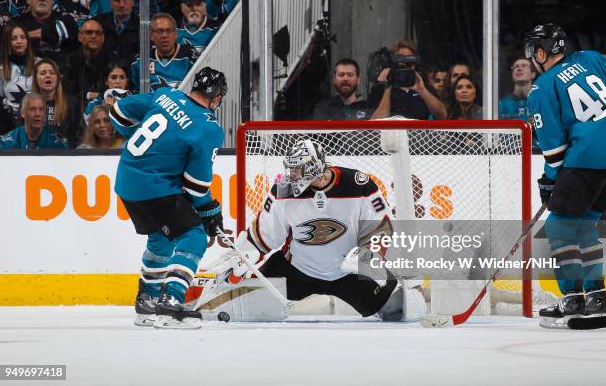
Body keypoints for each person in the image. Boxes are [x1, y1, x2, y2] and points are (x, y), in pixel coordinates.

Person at [238, 139, 407, 321]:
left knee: (396, 307)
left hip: (348, 273)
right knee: (248, 303)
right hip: (297, 270)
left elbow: (380, 229)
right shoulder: (283, 190)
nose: (292, 175)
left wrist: (368, 257)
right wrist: (239, 258)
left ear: (313, 167)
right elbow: (264, 236)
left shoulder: (359, 185)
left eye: (297, 169)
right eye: (290, 168)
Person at [110, 66, 226, 328]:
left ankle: (147, 300)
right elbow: (195, 186)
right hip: (155, 187)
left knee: (161, 236)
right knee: (194, 236)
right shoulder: (209, 128)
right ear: (217, 98)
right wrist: (209, 212)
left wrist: (138, 141)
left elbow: (118, 110)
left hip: (126, 181)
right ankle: (170, 303)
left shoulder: (165, 95)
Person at [524, 23, 606, 327]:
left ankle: (571, 299)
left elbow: (554, 148)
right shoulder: (591, 58)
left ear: (542, 52)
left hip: (586, 159)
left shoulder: (542, 87)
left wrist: (549, 180)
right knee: (586, 224)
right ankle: (597, 297)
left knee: (560, 226)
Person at [370, 40, 447, 120]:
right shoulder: (379, 90)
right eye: (399, 58)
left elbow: (443, 116)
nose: (404, 63)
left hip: (418, 131)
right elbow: (376, 122)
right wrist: (388, 87)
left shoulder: (425, 88)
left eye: (409, 59)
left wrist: (422, 90)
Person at [14, 0, 79, 65]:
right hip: (27, 74)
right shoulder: (17, 22)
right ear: (28, 0)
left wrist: (24, 36)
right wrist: (52, 36)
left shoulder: (67, 20)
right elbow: (8, 43)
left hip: (62, 73)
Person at [129, 12, 198, 92]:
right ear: (151, 35)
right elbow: (136, 94)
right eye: (159, 31)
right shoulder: (140, 62)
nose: (164, 35)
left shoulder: (190, 56)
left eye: (168, 31)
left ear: (175, 34)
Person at [61, 18, 110, 113]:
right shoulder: (69, 61)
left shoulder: (113, 61)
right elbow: (68, 93)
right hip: (75, 111)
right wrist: (89, 95)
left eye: (98, 33)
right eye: (89, 32)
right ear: (80, 37)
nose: (94, 36)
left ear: (103, 38)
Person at [32, 58, 82, 148]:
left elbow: (79, 136)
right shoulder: (27, 104)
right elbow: (22, 134)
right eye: (43, 73)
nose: (48, 76)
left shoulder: (72, 103)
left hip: (65, 156)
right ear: (35, 78)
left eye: (52, 73)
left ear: (58, 78)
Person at [0, 23, 36, 133]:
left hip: (38, 121)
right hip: (8, 124)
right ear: (7, 43)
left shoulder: (40, 64)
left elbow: (50, 99)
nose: (19, 41)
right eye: (14, 38)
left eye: (23, 37)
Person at [0, 91, 67, 149]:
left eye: (41, 109)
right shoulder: (6, 143)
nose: (37, 114)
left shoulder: (58, 143)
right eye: (32, 109)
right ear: (22, 112)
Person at [94, 0, 139, 64]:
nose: (121, 5)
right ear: (110, 3)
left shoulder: (142, 27)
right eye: (117, 0)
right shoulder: (97, 23)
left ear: (132, 2)